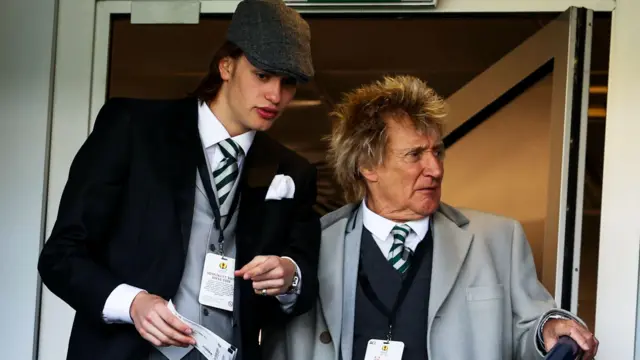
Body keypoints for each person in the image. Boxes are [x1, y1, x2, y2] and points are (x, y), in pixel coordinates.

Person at [37, 1, 320, 359]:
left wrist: (289, 276)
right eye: (262, 75)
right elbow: (61, 256)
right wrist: (133, 303)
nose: (275, 96)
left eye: (288, 82)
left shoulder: (292, 170)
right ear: (227, 66)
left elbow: (305, 284)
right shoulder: (133, 128)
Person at [261, 75, 598, 360]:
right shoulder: (315, 242)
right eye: (415, 155)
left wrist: (549, 328)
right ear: (367, 166)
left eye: (437, 152)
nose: (435, 169)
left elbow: (531, 324)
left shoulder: (497, 239)